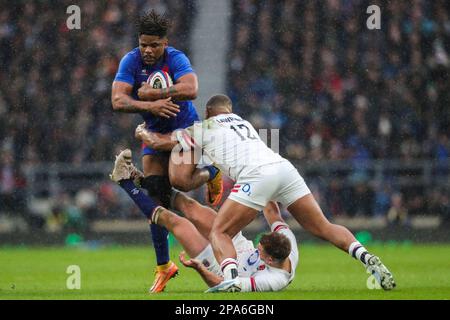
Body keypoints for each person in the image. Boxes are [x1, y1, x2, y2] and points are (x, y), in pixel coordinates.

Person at [134, 94, 397, 292]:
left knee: (219, 232)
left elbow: (161, 143)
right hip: (283, 169)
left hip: (257, 175)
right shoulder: (244, 124)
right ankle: (367, 257)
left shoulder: (205, 128)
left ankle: (232, 280)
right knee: (323, 226)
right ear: (230, 111)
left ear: (207, 112)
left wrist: (144, 132)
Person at [110, 10, 223, 293]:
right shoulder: (130, 60)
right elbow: (117, 99)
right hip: (153, 132)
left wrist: (155, 94)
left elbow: (192, 89)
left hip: (184, 128)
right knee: (156, 195)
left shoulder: (176, 58)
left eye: (154, 45)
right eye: (143, 44)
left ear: (165, 42)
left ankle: (212, 170)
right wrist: (148, 106)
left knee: (181, 181)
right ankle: (164, 267)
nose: (148, 50)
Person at [110, 149, 298, 292]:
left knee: (175, 222)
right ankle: (140, 180)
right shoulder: (286, 241)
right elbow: (273, 213)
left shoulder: (273, 281)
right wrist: (264, 177)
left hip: (221, 266)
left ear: (271, 260)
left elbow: (229, 286)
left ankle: (124, 181)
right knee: (189, 206)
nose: (258, 249)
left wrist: (200, 269)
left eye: (260, 251)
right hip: (235, 243)